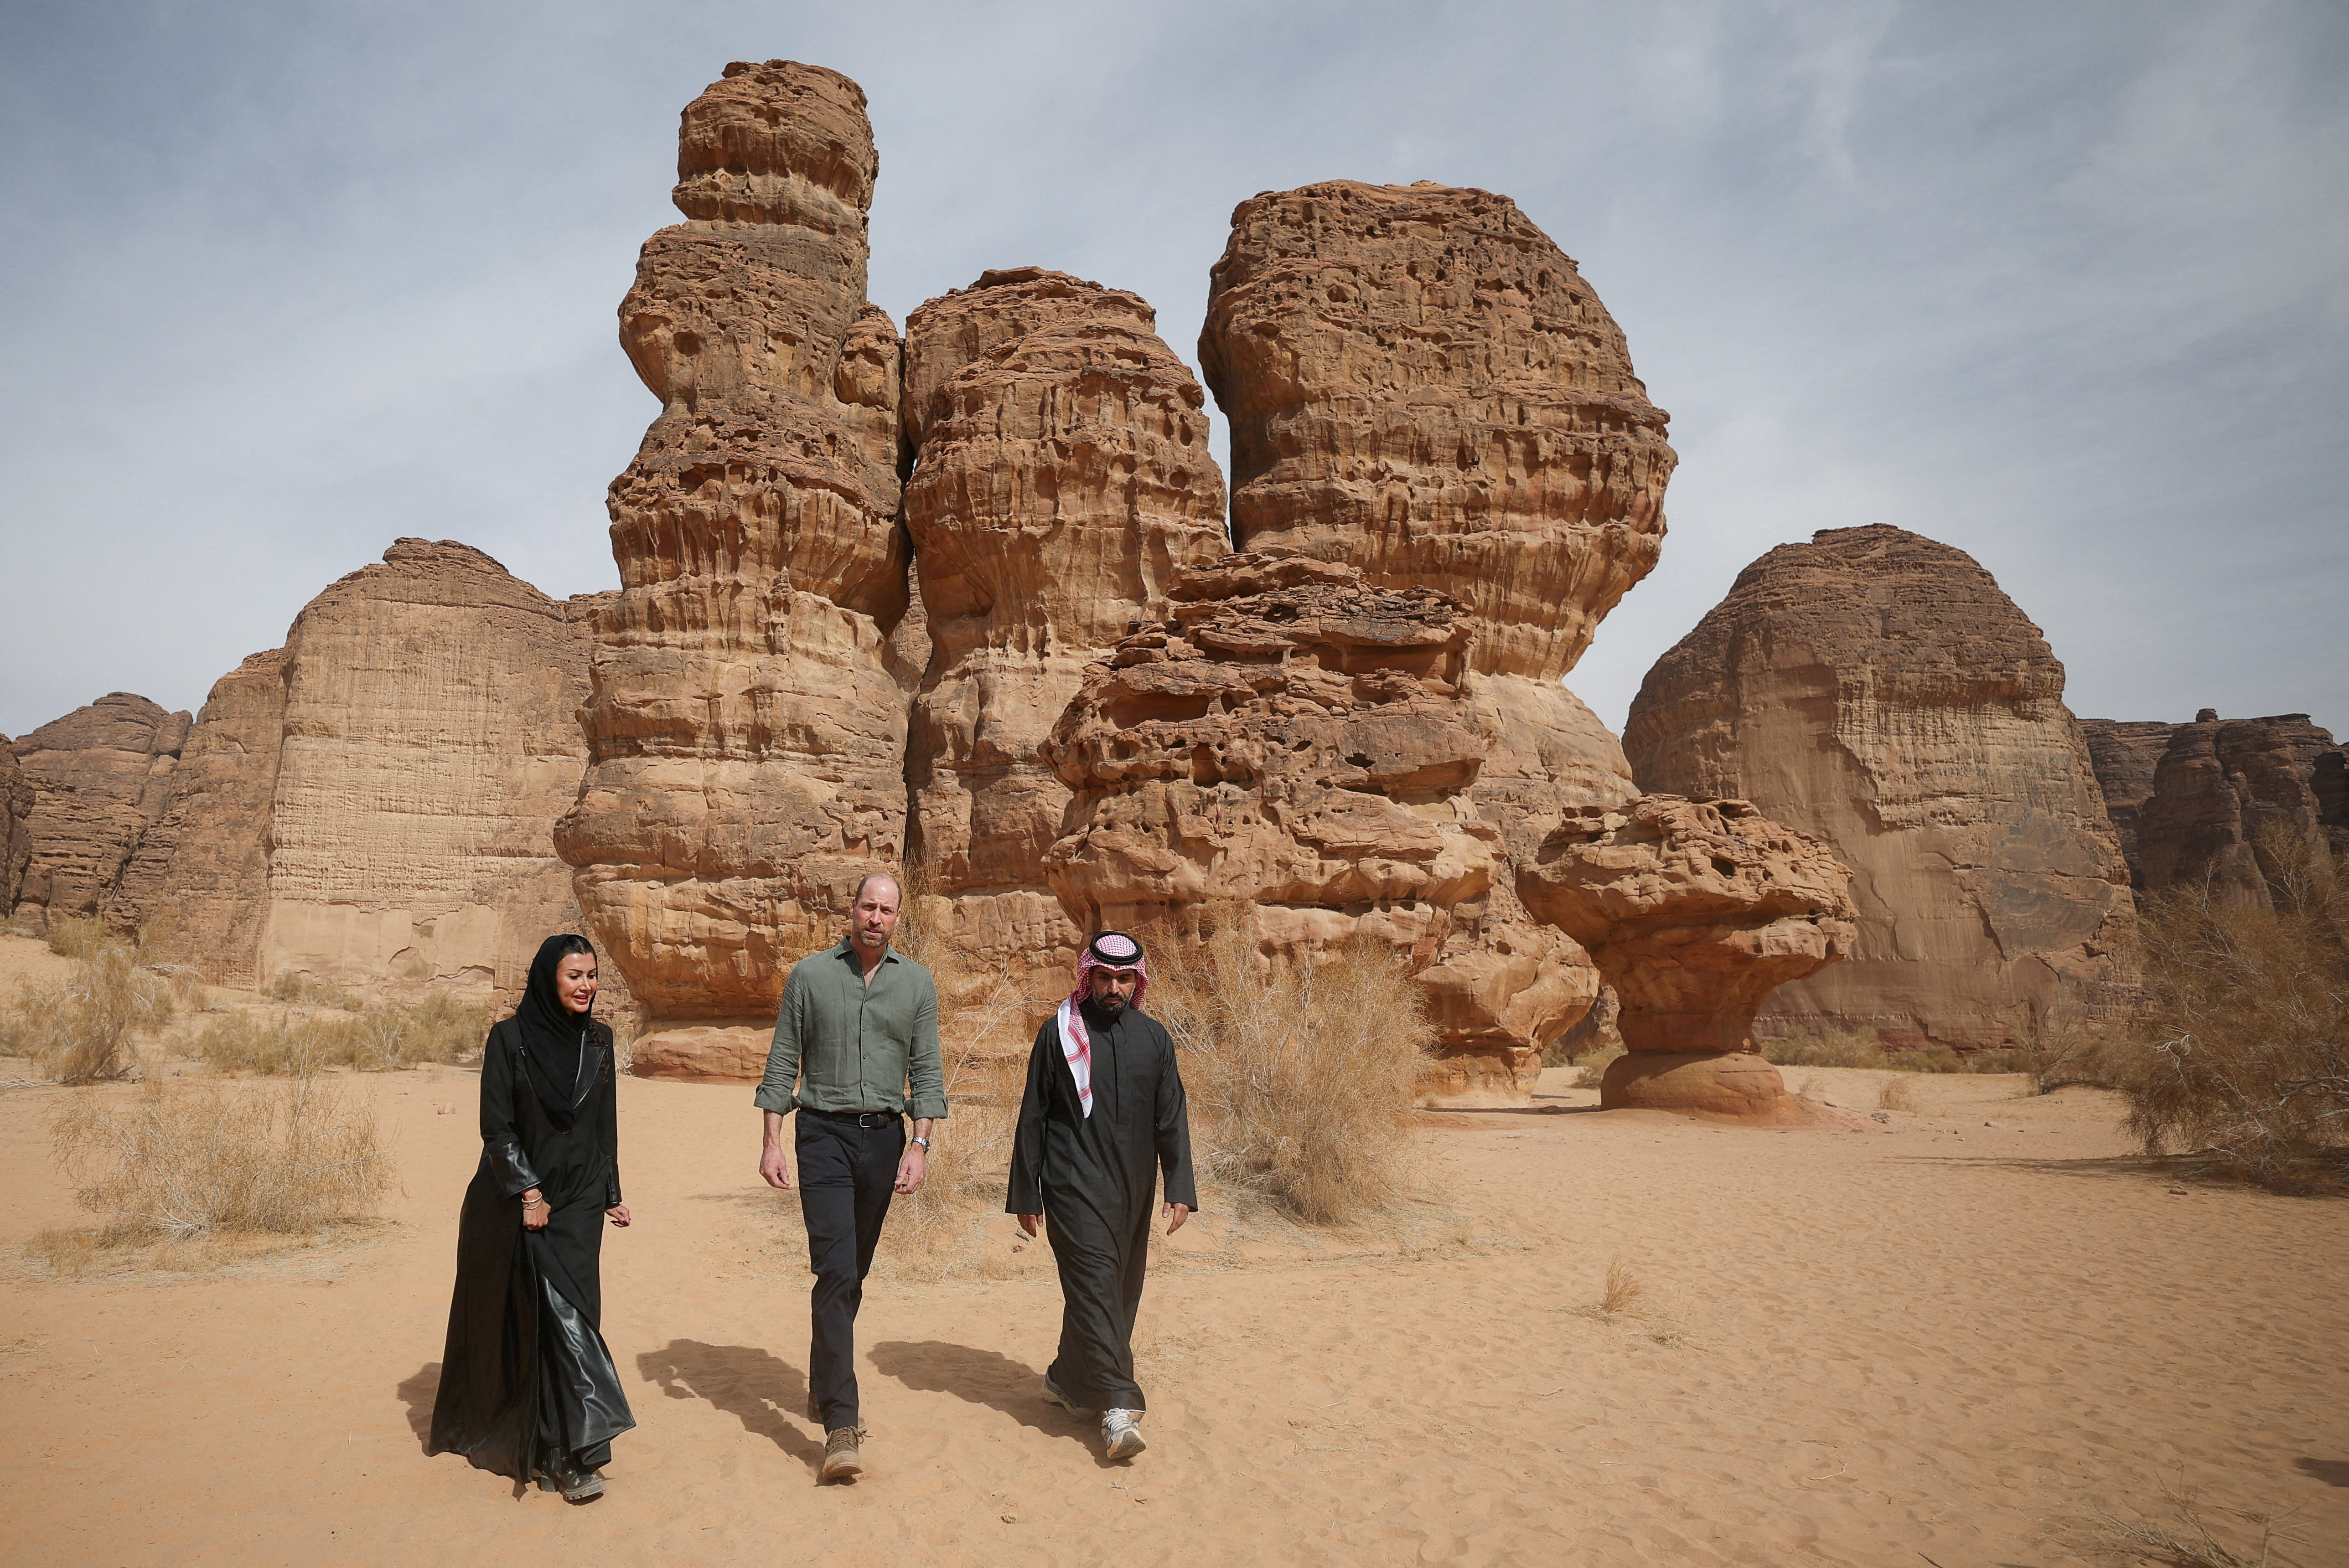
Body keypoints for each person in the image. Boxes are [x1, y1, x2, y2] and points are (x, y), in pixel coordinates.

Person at [429, 934, 635, 1503]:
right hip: (522, 1202)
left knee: (579, 1317)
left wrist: (612, 1191)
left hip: (582, 1200)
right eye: (574, 975)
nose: (586, 985)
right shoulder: (509, 1038)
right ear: (549, 978)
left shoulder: (600, 1039)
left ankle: (566, 1441)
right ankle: (561, 1454)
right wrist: (529, 1192)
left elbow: (605, 1124)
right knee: (549, 1320)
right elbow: (497, 1127)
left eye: (592, 975)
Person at [755, 872, 947, 1483]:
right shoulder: (810, 976)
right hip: (822, 1136)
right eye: (868, 906)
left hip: (884, 1141)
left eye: (887, 910)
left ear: (898, 918)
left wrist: (919, 1145)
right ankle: (842, 1423)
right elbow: (783, 1060)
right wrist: (771, 1141)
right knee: (835, 1269)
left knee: (853, 1273)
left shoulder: (916, 984)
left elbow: (927, 1070)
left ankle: (822, 1377)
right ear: (852, 910)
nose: (875, 918)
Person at [1008, 929, 1197, 1461]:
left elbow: (1171, 1115)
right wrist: (1026, 1191)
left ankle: (1067, 1379)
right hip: (1071, 1182)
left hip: (1133, 1187)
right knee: (1094, 1284)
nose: (1113, 987)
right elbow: (1033, 1114)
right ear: (1088, 974)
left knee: (1117, 1290)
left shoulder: (1154, 1038)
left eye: (1123, 978)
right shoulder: (1059, 1033)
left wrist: (1179, 1185)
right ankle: (1119, 1406)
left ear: (1137, 981)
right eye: (1105, 976)